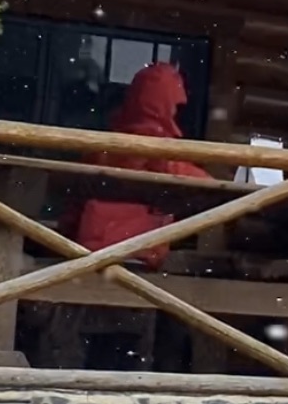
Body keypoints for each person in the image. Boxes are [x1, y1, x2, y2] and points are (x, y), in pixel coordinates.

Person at [75, 62, 209, 267]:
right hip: (136, 252)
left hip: (89, 248)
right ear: (165, 104)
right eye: (175, 106)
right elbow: (205, 187)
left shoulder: (106, 143)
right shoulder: (158, 149)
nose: (176, 112)